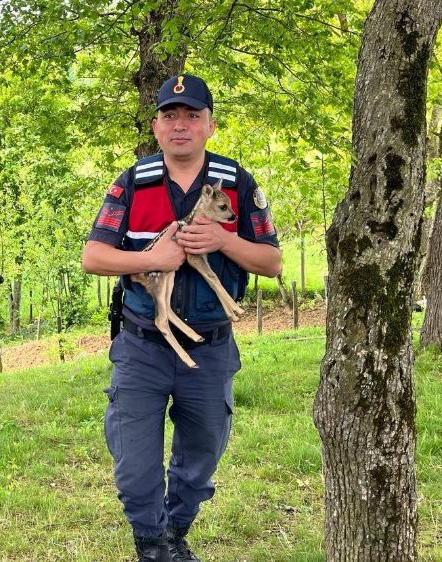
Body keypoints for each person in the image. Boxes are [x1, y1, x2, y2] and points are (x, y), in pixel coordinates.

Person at [81, 74, 281, 562]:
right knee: (135, 465)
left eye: (192, 115)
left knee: (201, 458)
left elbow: (272, 263)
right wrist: (153, 260)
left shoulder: (236, 184)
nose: (181, 125)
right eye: (171, 116)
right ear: (156, 126)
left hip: (210, 347)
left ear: (210, 125)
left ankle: (175, 533)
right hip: (142, 345)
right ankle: (149, 543)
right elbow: (93, 257)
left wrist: (224, 241)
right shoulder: (132, 182)